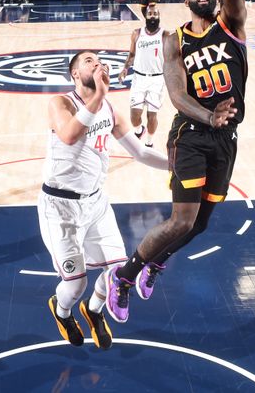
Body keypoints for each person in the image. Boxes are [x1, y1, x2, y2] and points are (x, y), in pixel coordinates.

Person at [105, 0, 244, 323]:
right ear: (186, 0)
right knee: (181, 218)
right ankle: (125, 277)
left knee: (199, 225)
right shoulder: (174, 41)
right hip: (191, 136)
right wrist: (209, 116)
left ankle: (156, 263)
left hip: (225, 137)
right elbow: (178, 96)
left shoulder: (231, 25)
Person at [40, 50, 169, 350]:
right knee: (76, 284)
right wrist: (100, 93)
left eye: (99, 60)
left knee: (116, 272)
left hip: (96, 203)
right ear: (74, 73)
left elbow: (141, 152)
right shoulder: (60, 103)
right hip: (60, 207)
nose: (97, 63)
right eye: (88, 61)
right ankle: (62, 312)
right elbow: (70, 135)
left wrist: (176, 165)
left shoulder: (109, 108)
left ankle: (94, 311)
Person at [118, 3, 165, 148]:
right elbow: (132, 54)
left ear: (159, 17)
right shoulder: (137, 33)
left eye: (155, 14)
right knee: (134, 117)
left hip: (157, 80)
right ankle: (139, 130)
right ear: (145, 16)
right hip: (138, 79)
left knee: (152, 115)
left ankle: (149, 143)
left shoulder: (166, 35)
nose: (153, 16)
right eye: (150, 14)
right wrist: (125, 68)